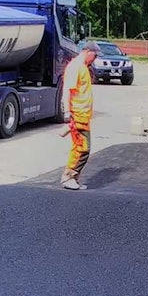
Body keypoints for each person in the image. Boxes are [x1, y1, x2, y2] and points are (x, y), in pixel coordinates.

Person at [60, 42, 99, 190]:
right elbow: (67, 91)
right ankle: (68, 176)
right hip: (77, 116)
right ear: (88, 51)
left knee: (80, 148)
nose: (95, 59)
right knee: (82, 148)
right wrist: (67, 113)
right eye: (94, 55)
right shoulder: (75, 67)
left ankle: (74, 178)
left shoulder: (82, 67)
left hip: (83, 116)